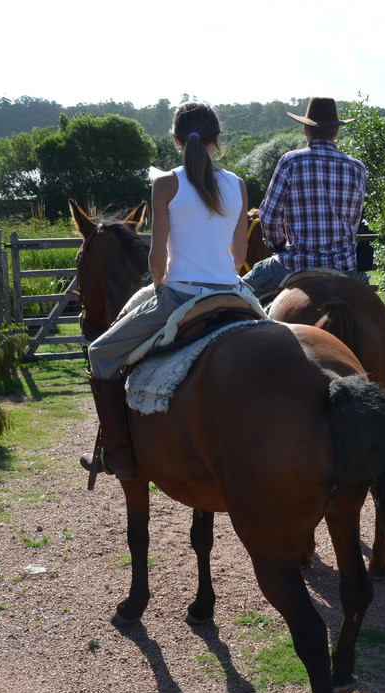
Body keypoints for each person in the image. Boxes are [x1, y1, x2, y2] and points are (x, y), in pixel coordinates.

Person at [80, 101, 249, 479]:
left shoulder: (166, 184)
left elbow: (157, 259)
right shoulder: (237, 184)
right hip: (234, 293)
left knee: (100, 352)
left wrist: (161, 290)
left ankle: (117, 453)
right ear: (217, 141)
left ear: (175, 139)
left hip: (181, 294)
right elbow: (238, 256)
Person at [242, 97, 367, 298]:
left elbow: (268, 215)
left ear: (306, 130)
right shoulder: (357, 168)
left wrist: (279, 247)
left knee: (237, 293)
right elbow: (353, 221)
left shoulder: (290, 161)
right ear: (335, 132)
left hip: (295, 265)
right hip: (345, 266)